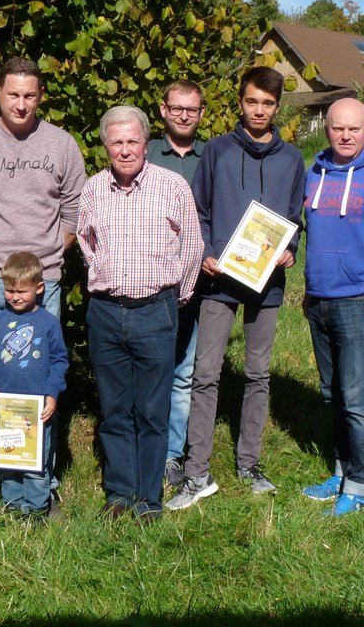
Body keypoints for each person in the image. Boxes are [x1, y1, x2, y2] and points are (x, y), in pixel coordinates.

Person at [0, 56, 86, 514]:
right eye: (13, 94)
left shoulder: (62, 146)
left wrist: (43, 263)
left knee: (41, 385)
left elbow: (73, 215)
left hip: (45, 280)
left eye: (30, 95)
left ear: (40, 96)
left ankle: (39, 478)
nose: (21, 103)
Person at [167, 66, 306, 510]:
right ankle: (197, 471)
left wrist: (291, 249)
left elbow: (294, 219)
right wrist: (206, 251)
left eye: (267, 103)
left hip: (267, 282)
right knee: (205, 374)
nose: (259, 110)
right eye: (252, 102)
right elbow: (200, 209)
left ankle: (249, 463)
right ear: (240, 103)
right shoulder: (218, 152)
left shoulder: (292, 159)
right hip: (219, 279)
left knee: (257, 373)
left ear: (278, 106)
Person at [78, 105, 203, 522]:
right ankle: (119, 493)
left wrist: (175, 299)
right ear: (106, 146)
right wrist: (105, 277)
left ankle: (149, 498)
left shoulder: (172, 186)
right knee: (114, 408)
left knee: (152, 410)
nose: (126, 150)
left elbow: (191, 248)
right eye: (117, 142)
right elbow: (86, 242)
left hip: (156, 311)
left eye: (133, 141)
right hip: (107, 312)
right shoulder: (93, 189)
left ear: (146, 143)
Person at [299, 98, 364, 517]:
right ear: (327, 128)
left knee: (358, 396)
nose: (345, 136)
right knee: (333, 395)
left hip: (362, 300)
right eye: (338, 128)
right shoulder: (315, 171)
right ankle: (343, 472)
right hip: (319, 300)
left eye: (354, 129)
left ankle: (361, 486)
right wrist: (310, 289)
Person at [146, 79, 208, 489]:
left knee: (183, 372)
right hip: (149, 283)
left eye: (192, 109)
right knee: (150, 372)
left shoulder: (214, 155)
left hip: (199, 280)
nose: (184, 115)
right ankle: (144, 449)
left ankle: (170, 456)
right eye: (177, 108)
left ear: (201, 114)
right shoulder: (145, 152)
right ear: (164, 110)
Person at [0, 252, 68, 522]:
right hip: (6, 410)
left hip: (38, 410)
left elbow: (59, 361)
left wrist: (52, 395)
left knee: (36, 462)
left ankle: (37, 509)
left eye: (21, 291)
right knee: (10, 459)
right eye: (9, 290)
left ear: (39, 288)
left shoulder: (48, 323)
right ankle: (13, 506)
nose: (14, 297)